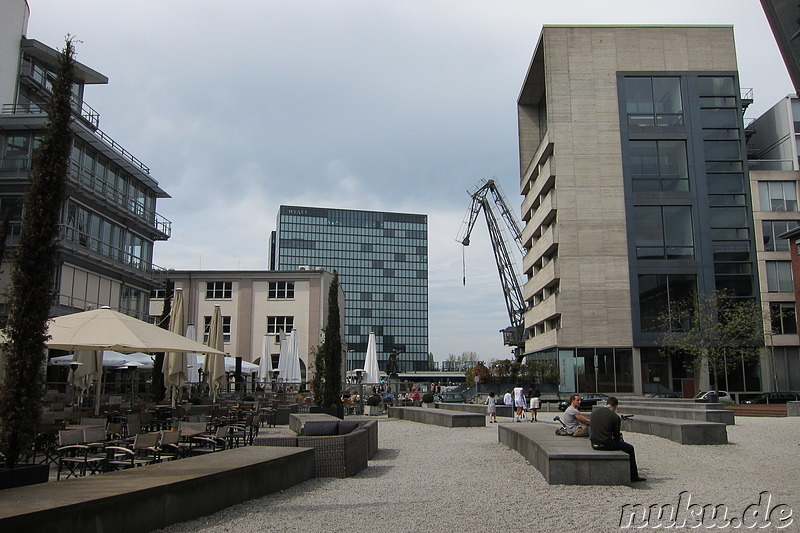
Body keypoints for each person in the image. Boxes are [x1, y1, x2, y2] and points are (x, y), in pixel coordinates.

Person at [590, 396, 646, 482]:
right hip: (605, 444)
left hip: (594, 443)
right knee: (630, 448)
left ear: (606, 403)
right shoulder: (615, 417)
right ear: (615, 406)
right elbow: (617, 438)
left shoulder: (594, 413)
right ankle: (634, 476)